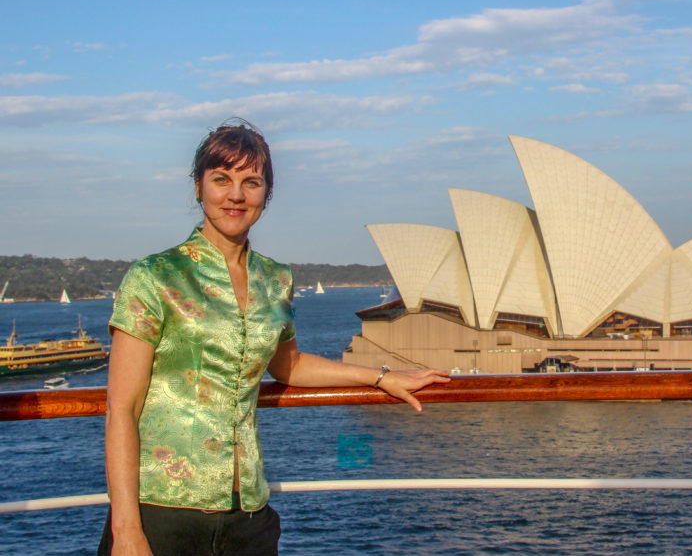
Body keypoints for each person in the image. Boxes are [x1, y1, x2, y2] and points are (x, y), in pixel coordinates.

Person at [98, 120, 449, 556]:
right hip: (163, 513)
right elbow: (121, 409)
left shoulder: (274, 278)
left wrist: (381, 377)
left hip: (249, 517)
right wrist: (127, 532)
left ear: (266, 194)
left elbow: (288, 366)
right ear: (198, 187)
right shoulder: (154, 277)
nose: (236, 195)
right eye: (221, 180)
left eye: (251, 182)